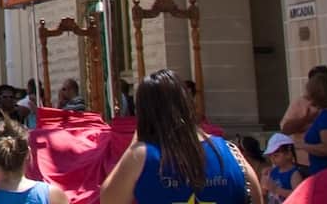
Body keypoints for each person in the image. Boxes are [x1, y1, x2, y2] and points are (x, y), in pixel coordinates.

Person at [99, 69, 260, 204]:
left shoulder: (141, 156)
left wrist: (138, 137)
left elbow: (109, 199)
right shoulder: (231, 152)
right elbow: (256, 198)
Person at [263, 134, 302, 204]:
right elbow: (264, 191)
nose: (272, 159)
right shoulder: (272, 171)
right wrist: (264, 178)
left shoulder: (294, 174)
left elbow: (298, 195)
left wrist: (276, 189)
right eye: (270, 156)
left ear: (288, 154)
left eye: (276, 155)